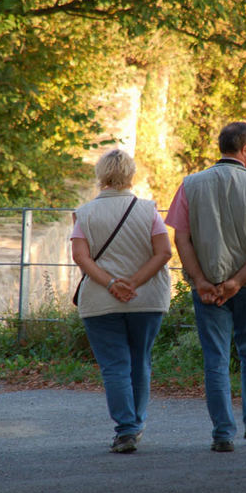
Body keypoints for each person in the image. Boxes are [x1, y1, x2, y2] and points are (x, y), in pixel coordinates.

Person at [165, 121, 246, 452]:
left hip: (208, 286)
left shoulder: (190, 185)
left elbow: (181, 238)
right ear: (244, 149)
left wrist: (202, 280)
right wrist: (238, 281)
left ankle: (222, 433)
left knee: (215, 358)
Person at [71, 148, 171, 453]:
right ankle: (135, 425)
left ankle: (126, 429)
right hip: (147, 298)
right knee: (140, 360)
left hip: (101, 301)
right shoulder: (148, 210)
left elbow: (80, 257)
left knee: (115, 365)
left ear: (101, 175)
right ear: (130, 175)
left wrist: (112, 284)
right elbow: (164, 252)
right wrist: (134, 283)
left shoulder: (84, 214)